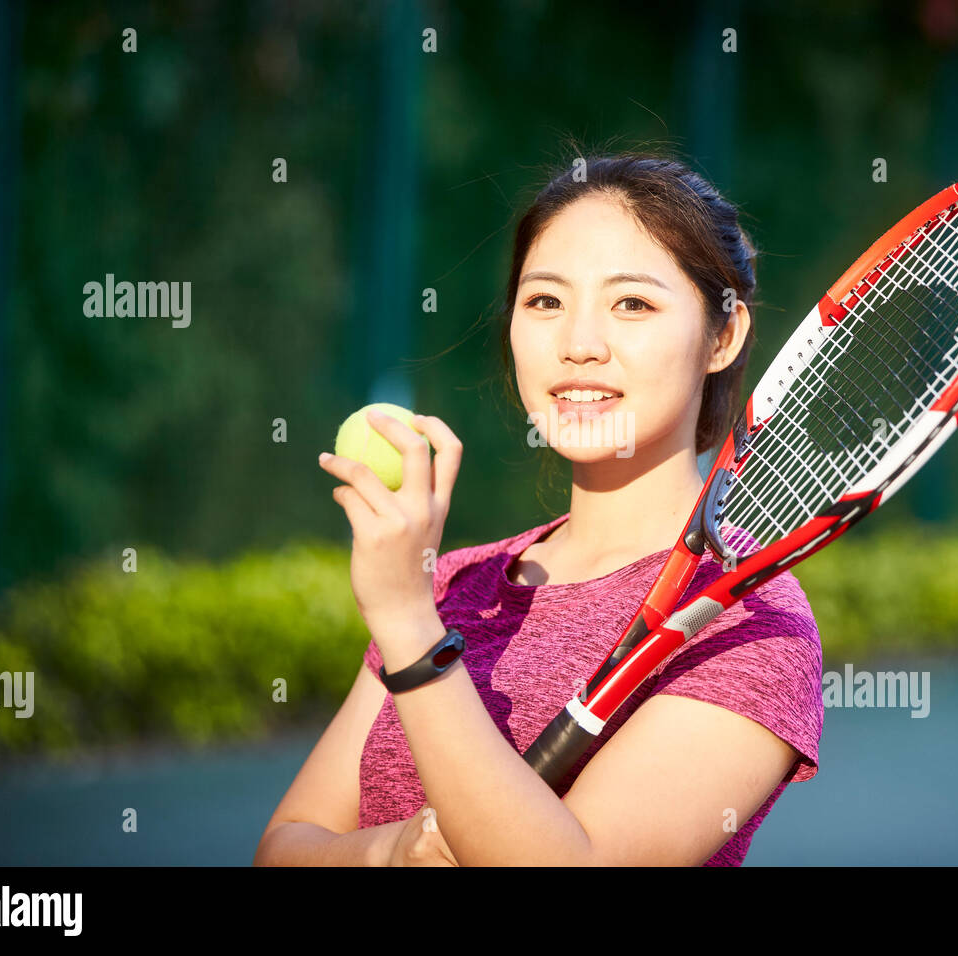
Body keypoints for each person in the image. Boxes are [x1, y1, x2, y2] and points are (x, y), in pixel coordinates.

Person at [254, 153, 823, 867]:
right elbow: (283, 848)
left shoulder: (750, 620)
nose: (578, 345)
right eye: (545, 301)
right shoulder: (454, 585)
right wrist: (389, 853)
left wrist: (407, 627)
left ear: (724, 336)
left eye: (633, 304)